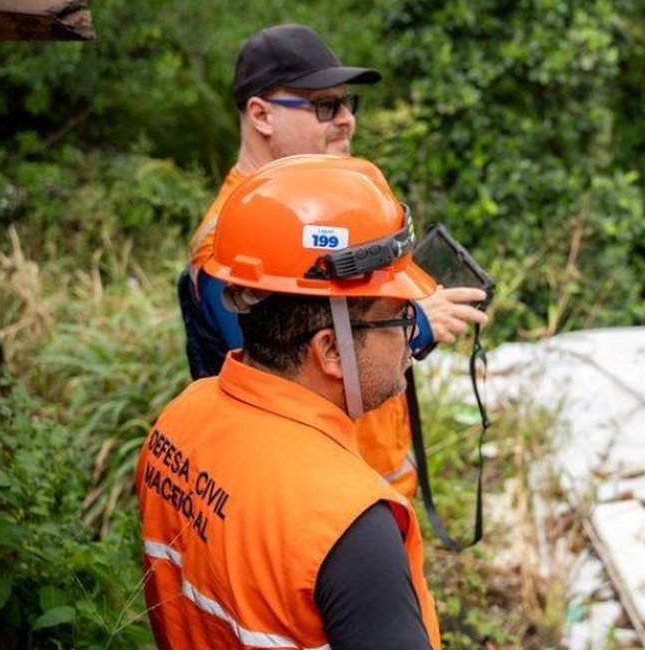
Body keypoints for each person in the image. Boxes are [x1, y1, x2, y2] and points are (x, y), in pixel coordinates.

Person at [139, 155, 441, 649]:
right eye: (399, 319)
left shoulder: (179, 420)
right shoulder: (350, 525)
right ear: (329, 349)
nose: (410, 341)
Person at [178, 23, 487, 497]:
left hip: (370, 481)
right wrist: (414, 324)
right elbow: (286, 375)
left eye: (348, 103)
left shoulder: (314, 210)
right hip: (317, 500)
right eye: (325, 105)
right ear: (261, 114)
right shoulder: (228, 243)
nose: (347, 119)